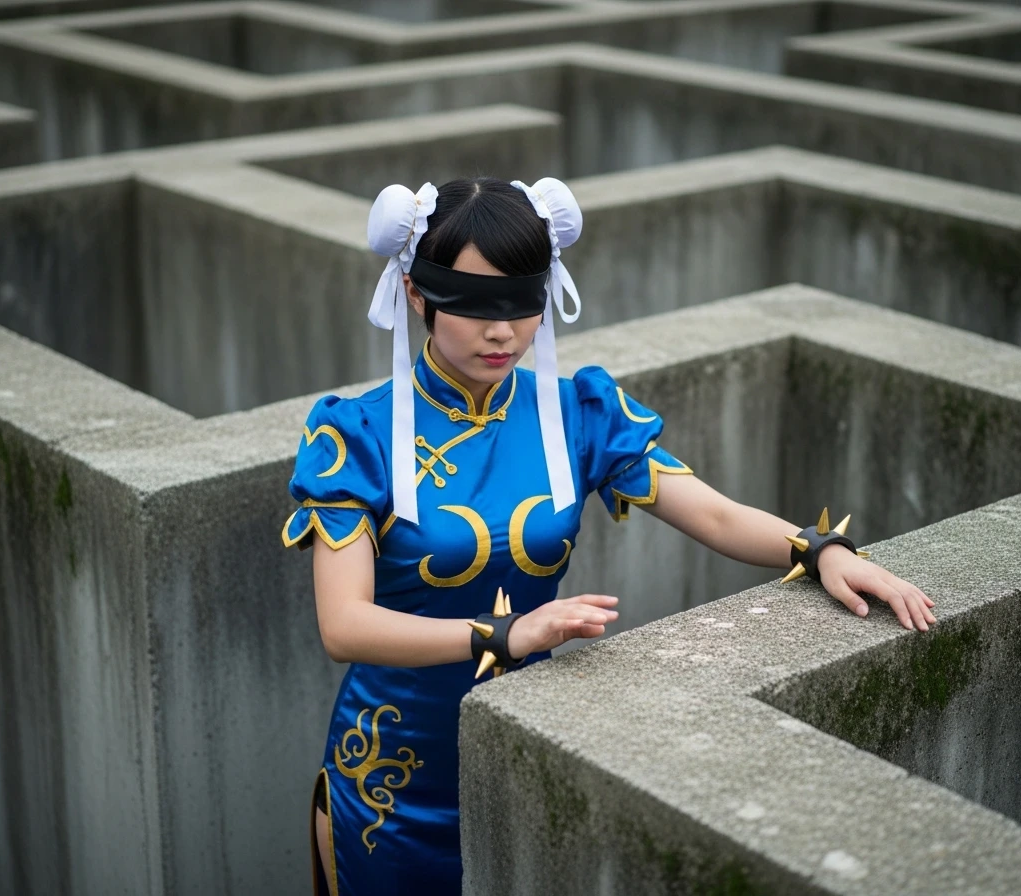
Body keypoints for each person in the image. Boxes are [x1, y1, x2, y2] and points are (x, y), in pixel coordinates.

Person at [281, 175, 936, 896]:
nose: (503, 332)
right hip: (392, 780)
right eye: (472, 304)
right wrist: (504, 637)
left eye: (522, 302)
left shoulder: (577, 411)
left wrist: (820, 552)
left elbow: (712, 513)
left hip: (540, 745)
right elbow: (343, 625)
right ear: (416, 293)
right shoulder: (356, 434)